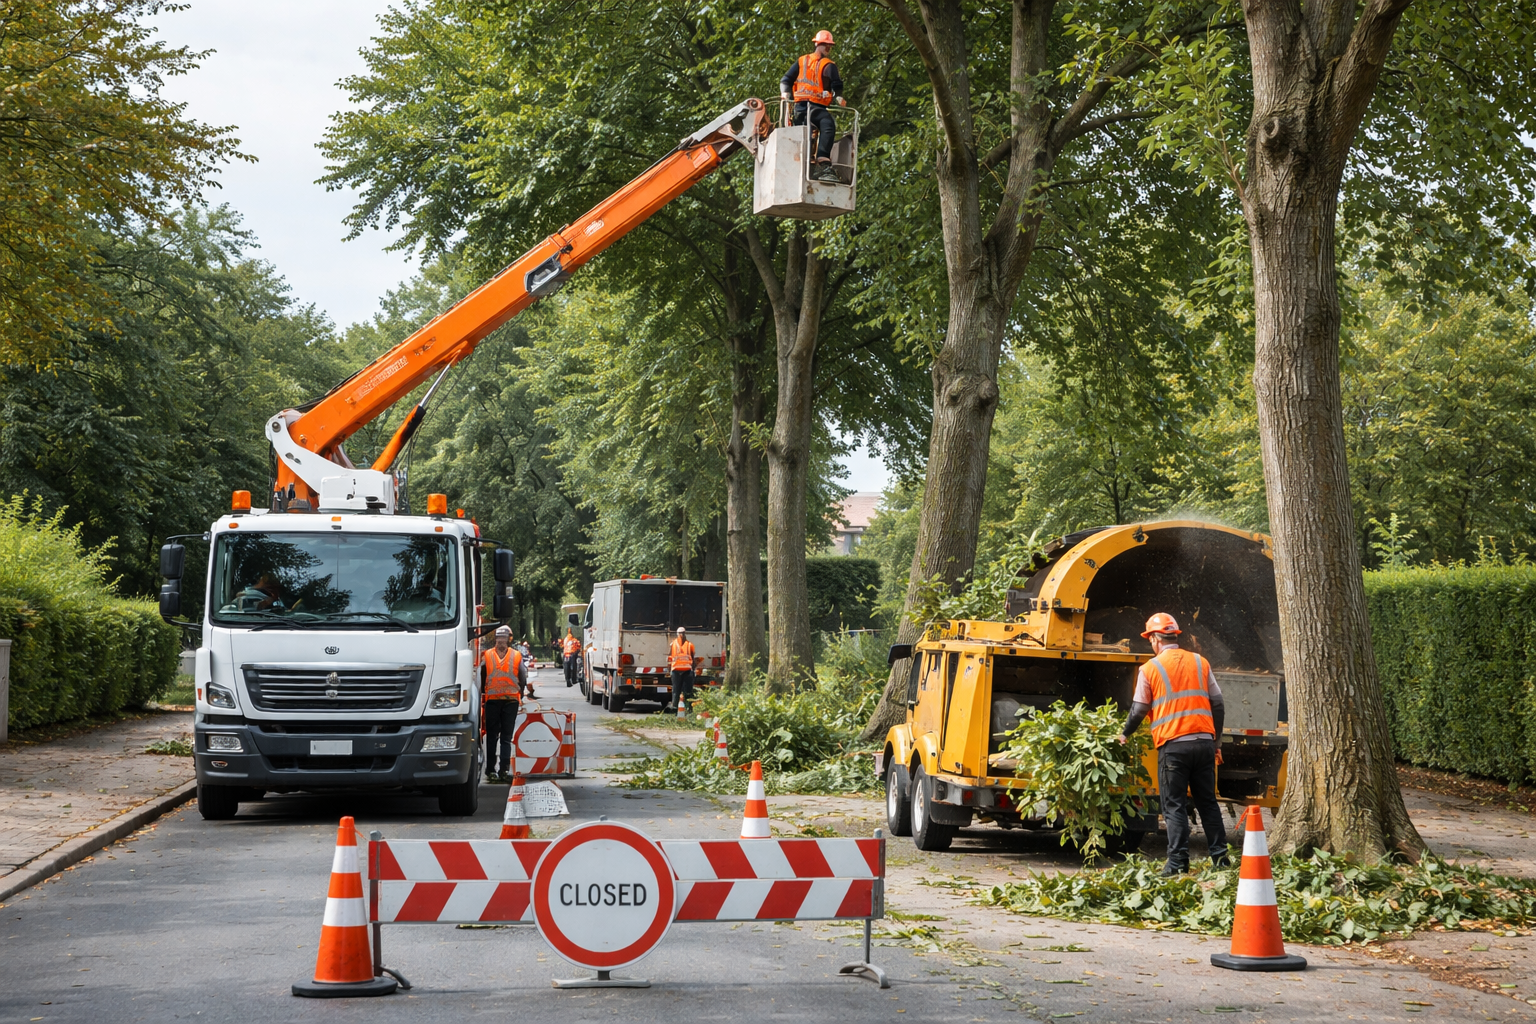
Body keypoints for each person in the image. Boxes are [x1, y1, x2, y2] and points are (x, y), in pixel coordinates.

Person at [1117, 612, 1231, 876]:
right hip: (1204, 743)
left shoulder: (1150, 668)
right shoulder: (1200, 662)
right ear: (1174, 636)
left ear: (1155, 639)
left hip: (1174, 746)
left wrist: (1125, 733)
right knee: (1208, 803)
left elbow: (1139, 709)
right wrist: (1216, 741)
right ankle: (1221, 859)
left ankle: (1178, 863)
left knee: (1174, 805)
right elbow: (1218, 703)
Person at [780, 29, 846, 182]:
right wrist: (785, 93)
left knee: (827, 125)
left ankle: (822, 162)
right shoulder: (802, 61)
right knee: (811, 130)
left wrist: (839, 96)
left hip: (817, 107)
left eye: (829, 46)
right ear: (818, 44)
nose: (828, 48)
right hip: (802, 107)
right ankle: (806, 160)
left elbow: (836, 83)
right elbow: (786, 80)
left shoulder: (828, 65)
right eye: (826, 45)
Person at [481, 625, 527, 782]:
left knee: (492, 736)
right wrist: (521, 692)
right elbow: (523, 676)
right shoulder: (516, 655)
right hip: (510, 700)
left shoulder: (487, 655)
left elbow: (481, 676)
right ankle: (503, 770)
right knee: (506, 737)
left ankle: (490, 770)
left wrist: (483, 693)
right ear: (510, 639)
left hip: (493, 700)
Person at [666, 626, 698, 714]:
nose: (681, 635)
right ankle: (674, 709)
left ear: (685, 634)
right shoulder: (673, 644)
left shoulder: (690, 645)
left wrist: (693, 670)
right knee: (676, 691)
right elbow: (669, 657)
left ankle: (689, 710)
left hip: (687, 671)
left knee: (688, 692)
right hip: (676, 671)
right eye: (680, 633)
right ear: (677, 634)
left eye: (683, 633)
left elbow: (693, 658)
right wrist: (669, 669)